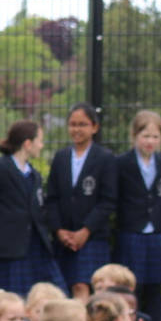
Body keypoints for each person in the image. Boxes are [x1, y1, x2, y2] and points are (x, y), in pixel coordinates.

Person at [0, 119, 63, 297]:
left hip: (36, 247)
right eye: (40, 140)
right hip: (8, 250)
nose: (42, 145)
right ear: (28, 143)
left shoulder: (34, 175)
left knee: (50, 295)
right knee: (9, 300)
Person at [112, 110, 161, 315]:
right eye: (145, 136)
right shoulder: (122, 163)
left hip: (157, 234)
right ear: (134, 136)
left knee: (155, 289)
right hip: (131, 232)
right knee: (132, 288)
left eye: (155, 136)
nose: (150, 141)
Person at [47, 103, 117, 297]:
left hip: (92, 238)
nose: (76, 129)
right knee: (62, 288)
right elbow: (51, 198)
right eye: (73, 124)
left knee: (83, 287)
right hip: (63, 238)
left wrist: (85, 230)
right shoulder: (60, 157)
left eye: (82, 124)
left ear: (94, 127)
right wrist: (59, 230)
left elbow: (108, 201)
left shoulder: (105, 158)